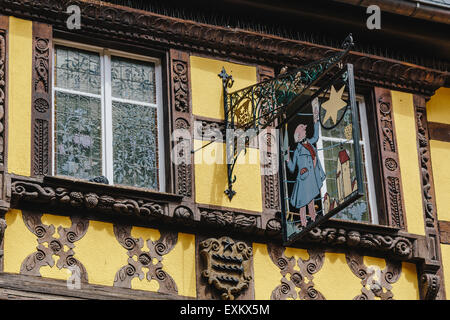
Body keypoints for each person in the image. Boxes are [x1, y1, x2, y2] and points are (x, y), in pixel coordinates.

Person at [285, 102, 326, 227]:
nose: (305, 132)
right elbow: (292, 168)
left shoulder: (310, 143)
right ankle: (303, 222)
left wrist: (316, 121)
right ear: (299, 134)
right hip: (303, 178)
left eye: (305, 130)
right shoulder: (297, 150)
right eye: (304, 130)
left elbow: (316, 136)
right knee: (303, 202)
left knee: (312, 199)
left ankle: (313, 218)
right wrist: (286, 159)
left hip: (312, 177)